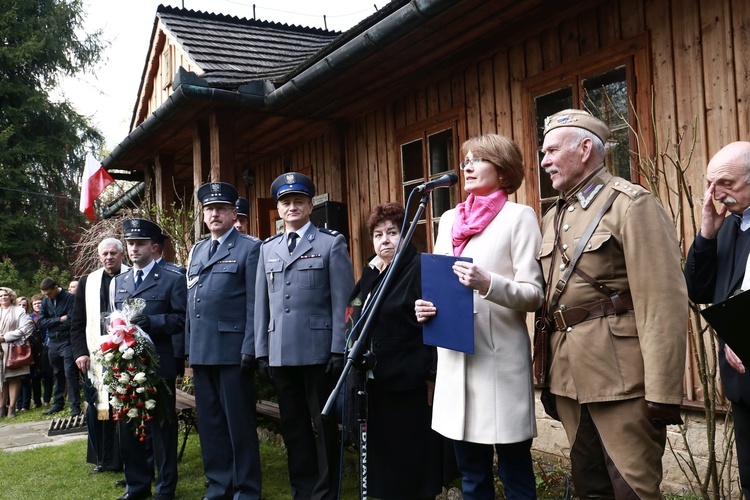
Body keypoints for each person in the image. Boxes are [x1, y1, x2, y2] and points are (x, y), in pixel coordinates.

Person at [536, 109, 687, 498]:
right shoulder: (553, 217)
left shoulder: (630, 204)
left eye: (551, 150)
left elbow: (662, 302)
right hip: (570, 382)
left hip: (623, 382)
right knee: (590, 490)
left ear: (585, 148)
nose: (544, 161)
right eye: (543, 152)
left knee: (632, 490)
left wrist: (663, 392)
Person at [414, 134, 545, 499]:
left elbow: (534, 295)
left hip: (497, 364)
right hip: (456, 362)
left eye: (478, 159)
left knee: (514, 471)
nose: (467, 166)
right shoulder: (450, 219)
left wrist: (490, 283)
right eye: (464, 160)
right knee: (471, 475)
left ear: (503, 171)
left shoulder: (519, 217)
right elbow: (439, 287)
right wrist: (426, 307)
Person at [255, 172, 354, 500]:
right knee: (295, 429)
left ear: (311, 206)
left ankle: (325, 493)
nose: (292, 207)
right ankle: (302, 490)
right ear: (279, 209)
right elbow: (262, 306)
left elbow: (344, 301)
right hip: (280, 352)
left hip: (319, 352)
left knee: (323, 428)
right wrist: (261, 351)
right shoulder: (267, 249)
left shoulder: (330, 243)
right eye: (286, 202)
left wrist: (339, 347)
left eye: (299, 201)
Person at [346, 202, 454, 499]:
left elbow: (438, 321)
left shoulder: (419, 268)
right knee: (386, 467)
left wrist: (432, 378)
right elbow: (351, 311)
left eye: (392, 232)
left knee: (413, 465)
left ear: (405, 235)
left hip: (411, 383)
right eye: (378, 234)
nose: (384, 240)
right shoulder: (371, 272)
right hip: (374, 384)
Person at [186, 181, 263, 499]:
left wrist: (250, 347)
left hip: (233, 353)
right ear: (204, 215)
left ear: (234, 213)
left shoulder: (250, 247)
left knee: (240, 426)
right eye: (209, 209)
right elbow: (193, 302)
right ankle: (219, 485)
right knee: (212, 425)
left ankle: (246, 489)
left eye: (221, 208)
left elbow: (255, 304)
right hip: (203, 352)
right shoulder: (199, 250)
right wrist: (190, 349)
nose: (214, 214)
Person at [684, 141, 750, 497]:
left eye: (725, 183)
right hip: (742, 384)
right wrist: (707, 232)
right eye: (710, 184)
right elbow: (697, 291)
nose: (715, 194)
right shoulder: (727, 227)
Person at [112, 218, 186, 500]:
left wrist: (153, 322)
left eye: (140, 243)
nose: (133, 249)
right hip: (126, 364)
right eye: (130, 244)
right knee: (129, 423)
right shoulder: (120, 281)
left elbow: (181, 318)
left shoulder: (172, 278)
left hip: (157, 363)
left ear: (154, 247)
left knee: (162, 426)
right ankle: (137, 485)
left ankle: (165, 488)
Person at [70, 237, 128, 473]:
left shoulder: (132, 276)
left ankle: (128, 458)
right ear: (99, 256)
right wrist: (80, 352)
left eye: (113, 253)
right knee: (100, 407)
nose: (108, 257)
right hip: (96, 357)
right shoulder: (88, 282)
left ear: (121, 255)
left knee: (125, 405)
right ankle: (103, 458)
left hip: (126, 352)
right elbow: (77, 322)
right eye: (104, 254)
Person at [38, 277, 80, 416]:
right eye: (44, 294)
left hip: (66, 340)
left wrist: (53, 323)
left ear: (56, 287)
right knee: (57, 372)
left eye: (48, 293)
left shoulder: (70, 299)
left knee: (70, 372)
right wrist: (59, 319)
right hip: (53, 342)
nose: (46, 296)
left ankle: (75, 406)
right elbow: (41, 322)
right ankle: (58, 403)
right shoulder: (45, 301)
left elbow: (71, 321)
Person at [153, 232, 187, 379]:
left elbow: (179, 314)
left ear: (154, 247)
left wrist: (178, 353)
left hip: (168, 348)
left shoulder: (175, 273)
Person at [0, 287, 34, 418]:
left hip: (13, 348)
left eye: (5, 295)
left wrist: (5, 337)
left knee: (14, 377)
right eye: (0, 296)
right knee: (0, 379)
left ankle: (12, 408)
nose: (3, 297)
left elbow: (25, 328)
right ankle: (2, 407)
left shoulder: (19, 311)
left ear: (11, 297)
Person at [30, 294, 53, 407]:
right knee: (35, 376)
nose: (37, 305)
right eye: (35, 303)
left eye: (39, 303)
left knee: (47, 374)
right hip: (34, 349)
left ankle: (47, 399)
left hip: (47, 346)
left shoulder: (48, 314)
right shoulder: (29, 318)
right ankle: (36, 401)